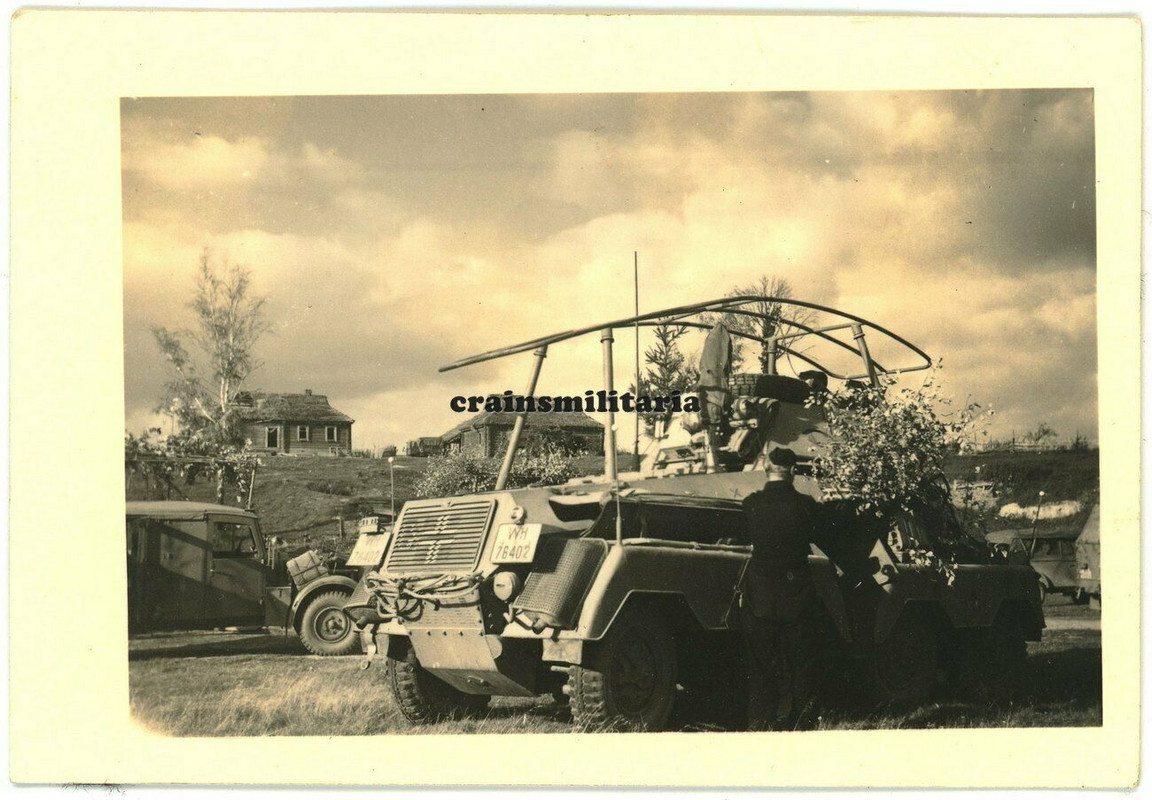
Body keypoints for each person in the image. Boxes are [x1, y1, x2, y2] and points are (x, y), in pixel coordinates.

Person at [740, 446, 825, 731]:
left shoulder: (751, 503)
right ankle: (802, 721)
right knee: (802, 662)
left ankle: (760, 721)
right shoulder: (806, 505)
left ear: (766, 467)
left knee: (761, 663)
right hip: (797, 593)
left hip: (761, 594)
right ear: (792, 471)